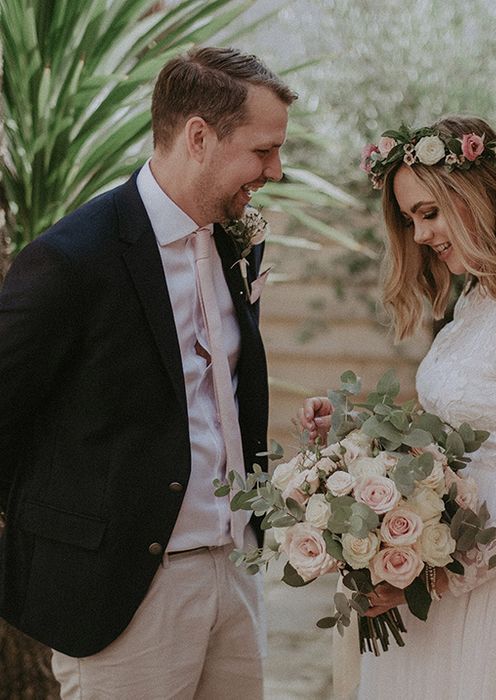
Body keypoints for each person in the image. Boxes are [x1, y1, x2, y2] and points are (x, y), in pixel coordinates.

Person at [0, 46, 295, 698]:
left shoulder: (238, 238)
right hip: (122, 597)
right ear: (199, 137)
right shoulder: (71, 260)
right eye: (263, 150)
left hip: (237, 572)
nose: (277, 170)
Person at [302, 117, 496, 699]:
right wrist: (357, 445)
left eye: (429, 212)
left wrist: (446, 573)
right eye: (410, 220)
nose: (419, 235)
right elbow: (463, 428)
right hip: (448, 563)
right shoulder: (480, 296)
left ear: (478, 196)